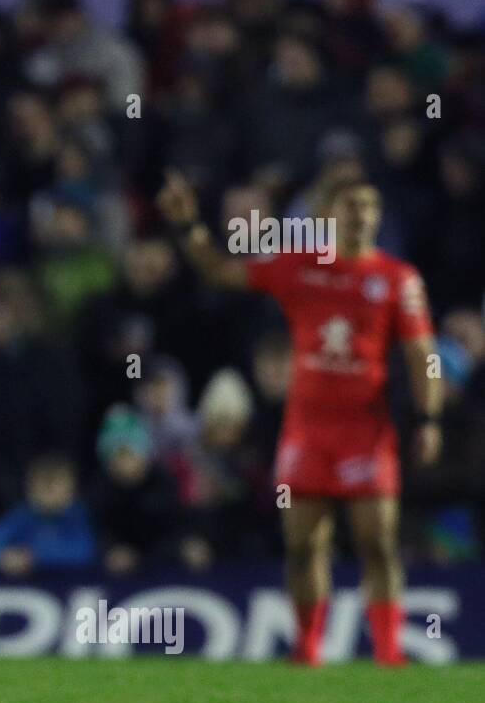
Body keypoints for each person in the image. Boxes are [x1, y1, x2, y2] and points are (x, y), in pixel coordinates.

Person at [158, 170, 442, 665]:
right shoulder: (298, 267)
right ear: (327, 215)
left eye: (370, 206)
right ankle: (307, 649)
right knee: (303, 546)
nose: (362, 216)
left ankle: (389, 654)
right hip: (307, 432)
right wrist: (189, 228)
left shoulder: (398, 279)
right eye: (352, 205)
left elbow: (424, 356)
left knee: (377, 544)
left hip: (366, 431)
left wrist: (428, 419)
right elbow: (221, 271)